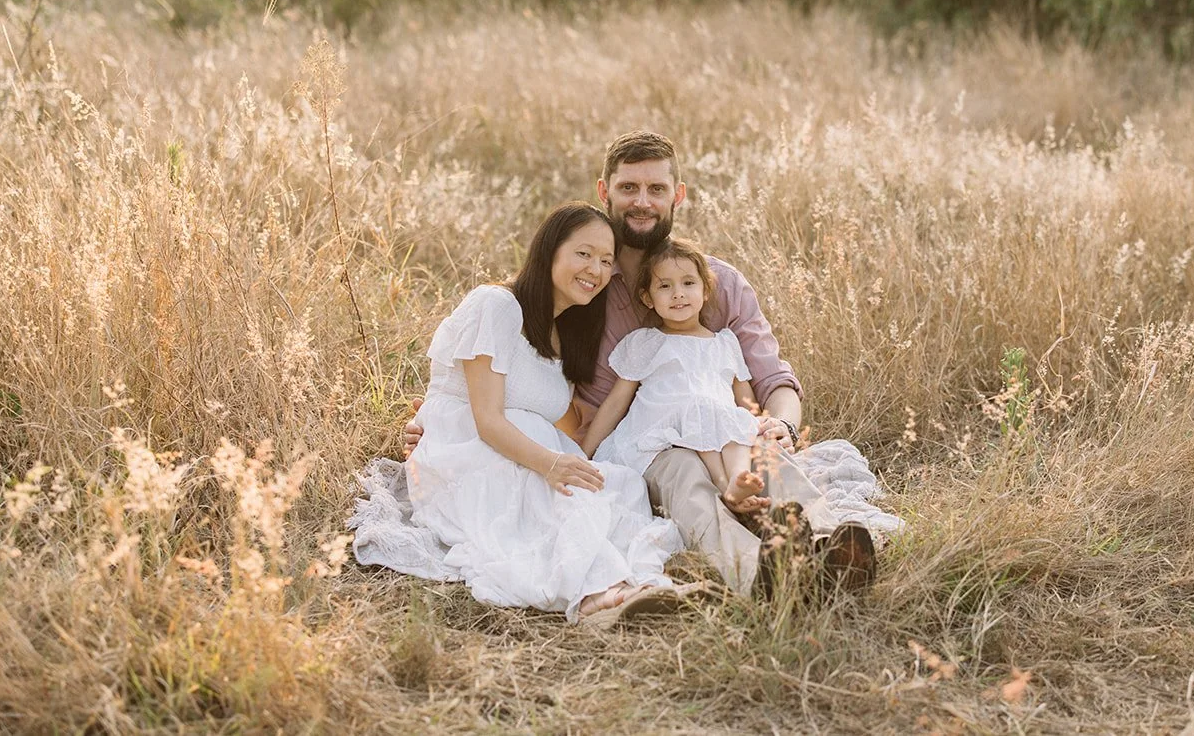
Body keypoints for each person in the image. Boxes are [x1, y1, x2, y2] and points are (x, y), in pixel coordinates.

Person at [403, 132, 889, 597]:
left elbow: (771, 378)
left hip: (723, 428)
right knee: (684, 478)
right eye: (628, 187)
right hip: (648, 445)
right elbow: (518, 358)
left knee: (767, 457)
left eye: (656, 188)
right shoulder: (584, 288)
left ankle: (833, 545)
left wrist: (780, 424)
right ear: (604, 192)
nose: (642, 201)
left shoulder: (716, 283)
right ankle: (757, 570)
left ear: (677, 195)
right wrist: (449, 422)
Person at [349, 202, 692, 625]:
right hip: (469, 451)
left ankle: (630, 579)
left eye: (606, 261)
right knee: (554, 493)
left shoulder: (564, 336)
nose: (596, 270)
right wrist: (551, 464)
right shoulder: (497, 305)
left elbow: (561, 426)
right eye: (583, 254)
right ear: (550, 251)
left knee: (616, 486)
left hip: (517, 449)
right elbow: (487, 417)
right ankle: (597, 595)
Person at [581, 238, 767, 515]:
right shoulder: (645, 341)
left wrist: (759, 425)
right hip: (661, 425)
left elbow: (746, 401)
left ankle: (739, 480)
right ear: (648, 298)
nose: (678, 294)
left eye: (688, 283)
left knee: (738, 423)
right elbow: (617, 401)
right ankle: (723, 484)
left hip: (717, 423)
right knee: (699, 406)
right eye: (665, 286)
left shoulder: (725, 342)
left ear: (706, 290)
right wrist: (585, 452)